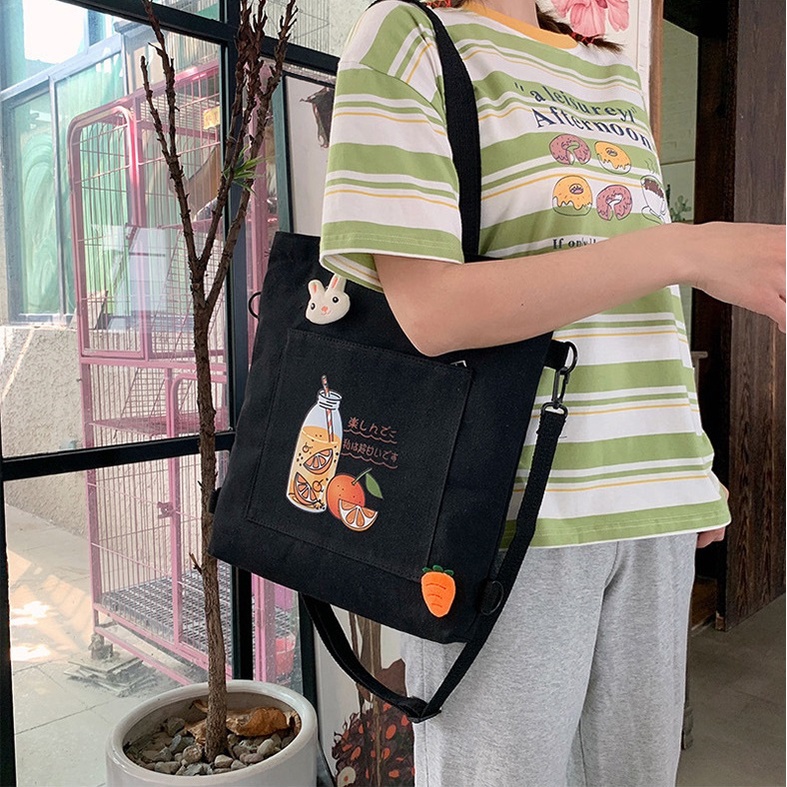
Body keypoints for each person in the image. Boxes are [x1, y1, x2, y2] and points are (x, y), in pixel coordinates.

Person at [318, 1, 785, 784]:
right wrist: (684, 248)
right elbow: (431, 312)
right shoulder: (408, 39)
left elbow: (639, 311)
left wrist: (686, 464)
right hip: (508, 519)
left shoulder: (611, 68)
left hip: (653, 513)